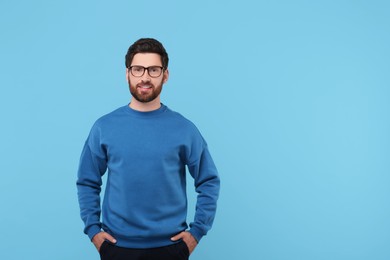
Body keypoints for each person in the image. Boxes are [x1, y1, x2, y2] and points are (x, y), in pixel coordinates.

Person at [76, 38, 220, 260]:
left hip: (171, 249)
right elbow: (87, 180)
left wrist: (197, 232)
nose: (144, 77)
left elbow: (208, 181)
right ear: (127, 74)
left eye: (153, 69)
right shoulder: (104, 127)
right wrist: (93, 231)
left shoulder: (184, 129)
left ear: (165, 75)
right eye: (138, 69)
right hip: (116, 248)